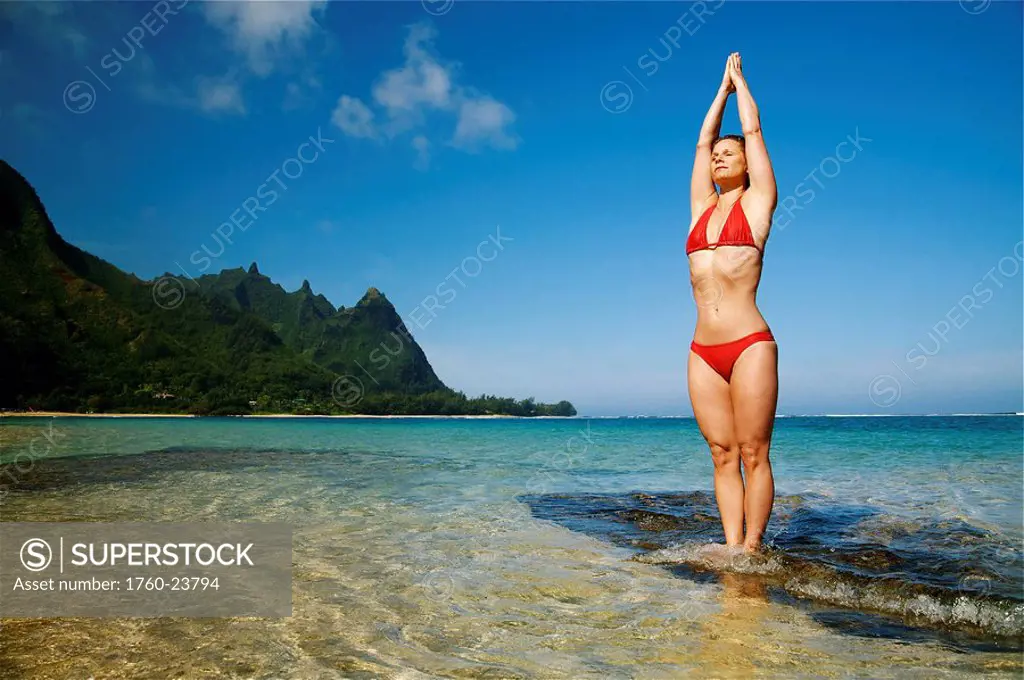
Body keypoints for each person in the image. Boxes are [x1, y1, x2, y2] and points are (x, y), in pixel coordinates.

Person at [686, 53, 778, 554]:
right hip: (702, 350)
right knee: (722, 453)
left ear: (747, 163)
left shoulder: (759, 202)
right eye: (717, 154)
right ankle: (730, 550)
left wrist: (739, 83)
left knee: (752, 452)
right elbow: (700, 142)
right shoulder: (701, 208)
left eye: (730, 152)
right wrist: (716, 94)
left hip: (749, 344)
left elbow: (756, 131)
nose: (719, 156)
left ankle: (754, 549)